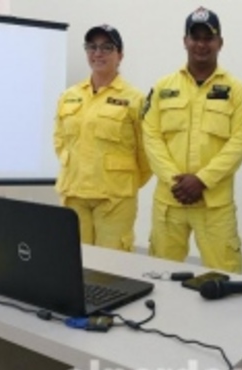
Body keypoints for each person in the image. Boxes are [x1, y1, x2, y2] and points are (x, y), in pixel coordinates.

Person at [142, 7, 242, 273]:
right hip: (170, 201)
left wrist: (201, 180)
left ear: (220, 43)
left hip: (215, 205)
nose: (201, 44)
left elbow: (239, 143)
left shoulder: (237, 92)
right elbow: (152, 138)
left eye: (209, 38)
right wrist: (176, 181)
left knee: (225, 278)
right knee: (160, 278)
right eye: (195, 37)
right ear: (185, 41)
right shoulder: (162, 88)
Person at [54, 25, 151, 251]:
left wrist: (123, 181)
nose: (98, 53)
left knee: (111, 267)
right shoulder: (70, 96)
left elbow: (147, 154)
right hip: (74, 194)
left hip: (114, 199)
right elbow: (60, 141)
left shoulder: (135, 99)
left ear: (120, 55)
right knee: (74, 261)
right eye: (92, 47)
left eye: (107, 47)